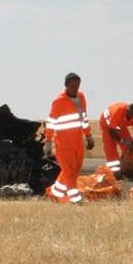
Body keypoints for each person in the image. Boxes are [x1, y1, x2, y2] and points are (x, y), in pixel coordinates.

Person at [44, 72, 93, 204]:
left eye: (77, 85)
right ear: (66, 85)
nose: (75, 88)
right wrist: (47, 141)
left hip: (77, 141)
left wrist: (88, 135)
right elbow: (51, 121)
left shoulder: (81, 97)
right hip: (63, 143)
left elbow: (84, 118)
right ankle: (76, 200)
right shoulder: (59, 101)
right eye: (72, 86)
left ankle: (55, 194)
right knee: (69, 172)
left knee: (73, 171)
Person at [98, 102, 133, 176]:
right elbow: (111, 131)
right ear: (126, 110)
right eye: (129, 114)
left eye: (132, 115)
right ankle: (114, 171)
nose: (130, 116)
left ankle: (128, 167)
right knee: (110, 146)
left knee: (129, 146)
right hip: (107, 125)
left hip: (121, 124)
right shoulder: (117, 112)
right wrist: (122, 141)